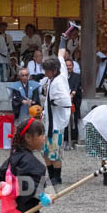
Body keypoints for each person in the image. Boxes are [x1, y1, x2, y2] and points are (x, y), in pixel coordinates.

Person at [39, 50, 72, 186]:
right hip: (48, 120)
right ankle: (51, 174)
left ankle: (56, 177)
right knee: (45, 150)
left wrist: (53, 101)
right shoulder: (56, 77)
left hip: (56, 122)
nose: (46, 73)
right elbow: (61, 57)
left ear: (54, 70)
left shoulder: (59, 82)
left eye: (47, 70)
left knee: (55, 151)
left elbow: (66, 101)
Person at [65, 57, 82, 149]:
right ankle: (65, 140)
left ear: (73, 66)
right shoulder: (61, 77)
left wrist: (72, 94)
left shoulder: (77, 76)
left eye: (70, 65)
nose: (68, 67)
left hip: (74, 100)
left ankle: (73, 139)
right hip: (64, 100)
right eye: (66, 65)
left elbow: (76, 86)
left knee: (74, 120)